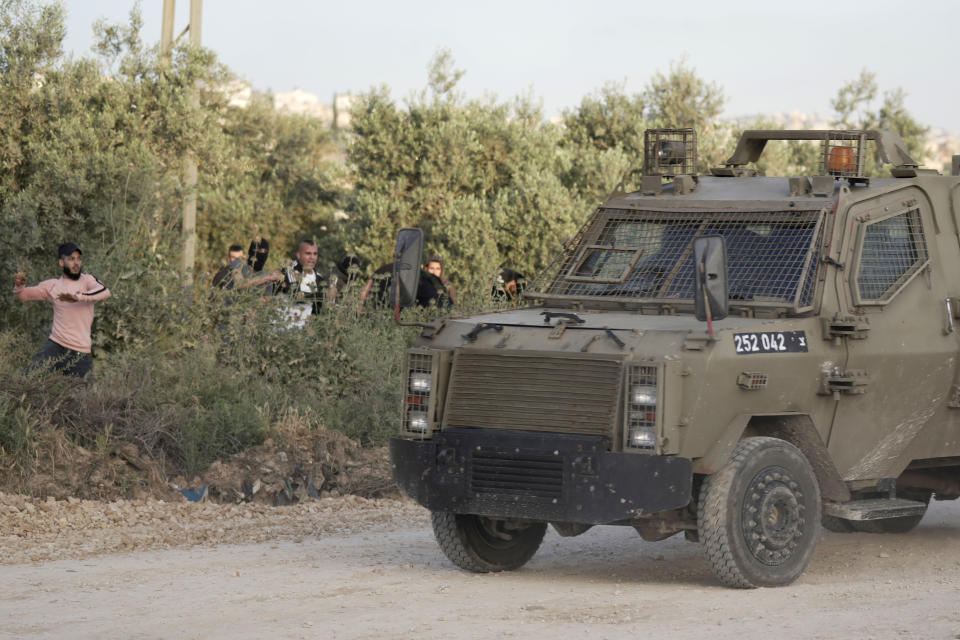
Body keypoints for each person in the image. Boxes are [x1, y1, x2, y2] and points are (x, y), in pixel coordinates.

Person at [12, 242, 111, 378]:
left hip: (80, 352)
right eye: (71, 259)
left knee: (84, 398)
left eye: (78, 259)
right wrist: (19, 286)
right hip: (55, 346)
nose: (76, 263)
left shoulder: (87, 280)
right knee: (28, 380)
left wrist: (78, 297)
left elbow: (105, 291)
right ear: (61, 262)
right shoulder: (52, 285)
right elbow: (22, 296)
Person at [277, 239, 334, 326]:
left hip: (304, 334)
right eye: (308, 253)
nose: (312, 257)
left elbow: (317, 310)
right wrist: (323, 295)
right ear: (298, 255)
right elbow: (295, 295)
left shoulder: (319, 278)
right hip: (283, 330)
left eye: (315, 254)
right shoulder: (289, 271)